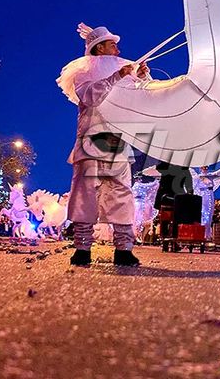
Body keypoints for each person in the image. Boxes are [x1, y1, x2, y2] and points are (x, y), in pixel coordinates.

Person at [60, 24, 149, 267]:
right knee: (85, 194)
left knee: (122, 193)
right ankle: (82, 248)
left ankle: (124, 249)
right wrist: (116, 77)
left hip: (117, 142)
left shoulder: (122, 72)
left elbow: (140, 101)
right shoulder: (83, 73)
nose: (118, 49)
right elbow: (89, 97)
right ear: (100, 48)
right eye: (112, 44)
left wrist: (141, 78)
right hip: (90, 141)